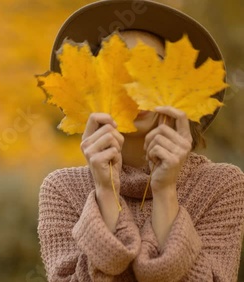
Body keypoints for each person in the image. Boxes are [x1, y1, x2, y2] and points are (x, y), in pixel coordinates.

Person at [37, 1, 244, 281]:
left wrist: (165, 192)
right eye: (120, 67)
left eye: (152, 66)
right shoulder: (62, 190)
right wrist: (105, 193)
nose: (136, 83)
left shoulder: (222, 186)